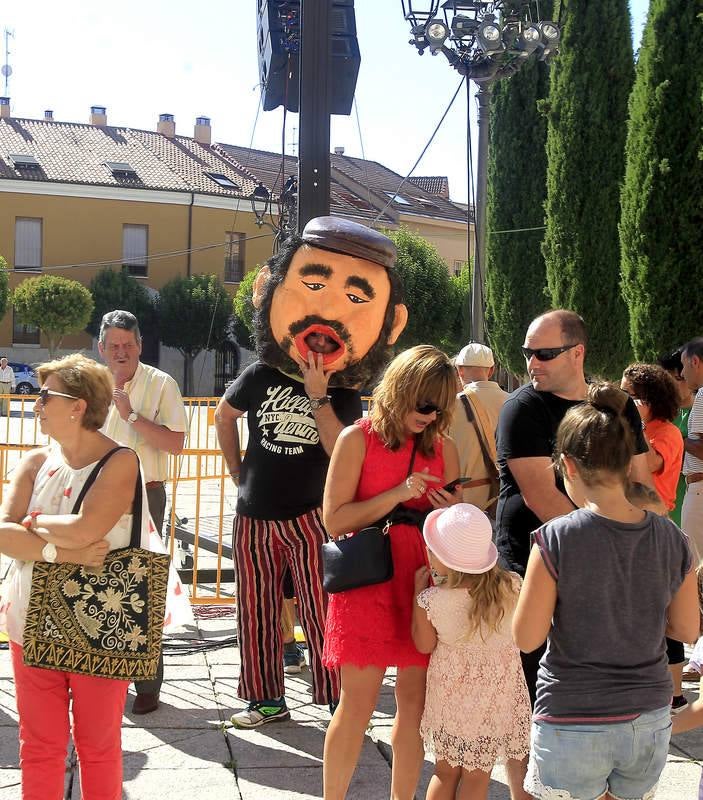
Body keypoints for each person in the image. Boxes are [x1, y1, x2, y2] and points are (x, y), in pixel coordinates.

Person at [215, 217, 408, 729]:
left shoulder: (345, 393)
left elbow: (338, 445)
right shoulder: (259, 375)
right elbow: (223, 416)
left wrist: (319, 394)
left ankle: (333, 700)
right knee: (255, 612)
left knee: (323, 612)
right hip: (253, 513)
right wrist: (238, 473)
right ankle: (264, 701)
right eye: (314, 286)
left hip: (312, 517)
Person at [513, 382, 698, 800]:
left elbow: (526, 637)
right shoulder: (673, 539)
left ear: (568, 466)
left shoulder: (555, 539)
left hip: (571, 716)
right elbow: (687, 629)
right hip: (647, 717)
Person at [0, 353, 143, 799]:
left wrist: (33, 522)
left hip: (100, 624)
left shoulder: (121, 461)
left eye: (46, 396)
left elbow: (87, 528)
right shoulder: (33, 461)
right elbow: (4, 535)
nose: (37, 404)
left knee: (98, 746)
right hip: (28, 621)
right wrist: (62, 553)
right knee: (38, 745)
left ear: (77, 406)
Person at [321, 345, 461, 800]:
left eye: (439, 405)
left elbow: (457, 531)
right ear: (401, 389)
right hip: (369, 581)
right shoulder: (357, 439)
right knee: (356, 705)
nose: (431, 413)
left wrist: (454, 511)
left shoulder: (446, 449)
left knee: (414, 708)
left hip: (423, 584)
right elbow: (335, 520)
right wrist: (398, 494)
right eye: (424, 401)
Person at [495, 309, 652, 707]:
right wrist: (611, 549)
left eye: (544, 354)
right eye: (527, 352)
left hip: (608, 563)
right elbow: (543, 498)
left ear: (577, 353)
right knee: (534, 692)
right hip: (535, 561)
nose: (531, 363)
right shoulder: (521, 408)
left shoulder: (617, 406)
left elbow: (640, 481)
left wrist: (635, 550)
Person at [98, 309, 187, 715]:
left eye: (128, 345)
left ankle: (147, 686)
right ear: (101, 348)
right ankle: (98, 680)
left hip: (144, 496)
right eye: (113, 345)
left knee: (140, 590)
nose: (121, 352)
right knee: (93, 585)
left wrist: (129, 414)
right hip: (94, 497)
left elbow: (174, 444)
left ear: (140, 346)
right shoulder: (89, 384)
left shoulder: (160, 384)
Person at [412, 503, 530, 800]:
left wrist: (417, 596)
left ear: (447, 561)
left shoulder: (432, 600)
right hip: (495, 698)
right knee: (478, 775)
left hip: (450, 698)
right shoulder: (513, 587)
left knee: (445, 771)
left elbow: (424, 645)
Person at [448, 342, 507, 513]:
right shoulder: (512, 401)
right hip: (503, 499)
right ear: (491, 370)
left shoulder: (451, 405)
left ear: (459, 370)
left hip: (465, 503)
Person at [621, 362, 684, 513]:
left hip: (654, 516)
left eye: (626, 394)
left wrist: (637, 423)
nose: (621, 398)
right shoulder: (624, 428)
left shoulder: (669, 432)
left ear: (648, 399)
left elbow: (650, 464)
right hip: (627, 512)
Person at [680, 337, 703, 560]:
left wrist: (679, 438)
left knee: (693, 566)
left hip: (700, 489)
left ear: (695, 361)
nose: (683, 374)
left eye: (684, 365)